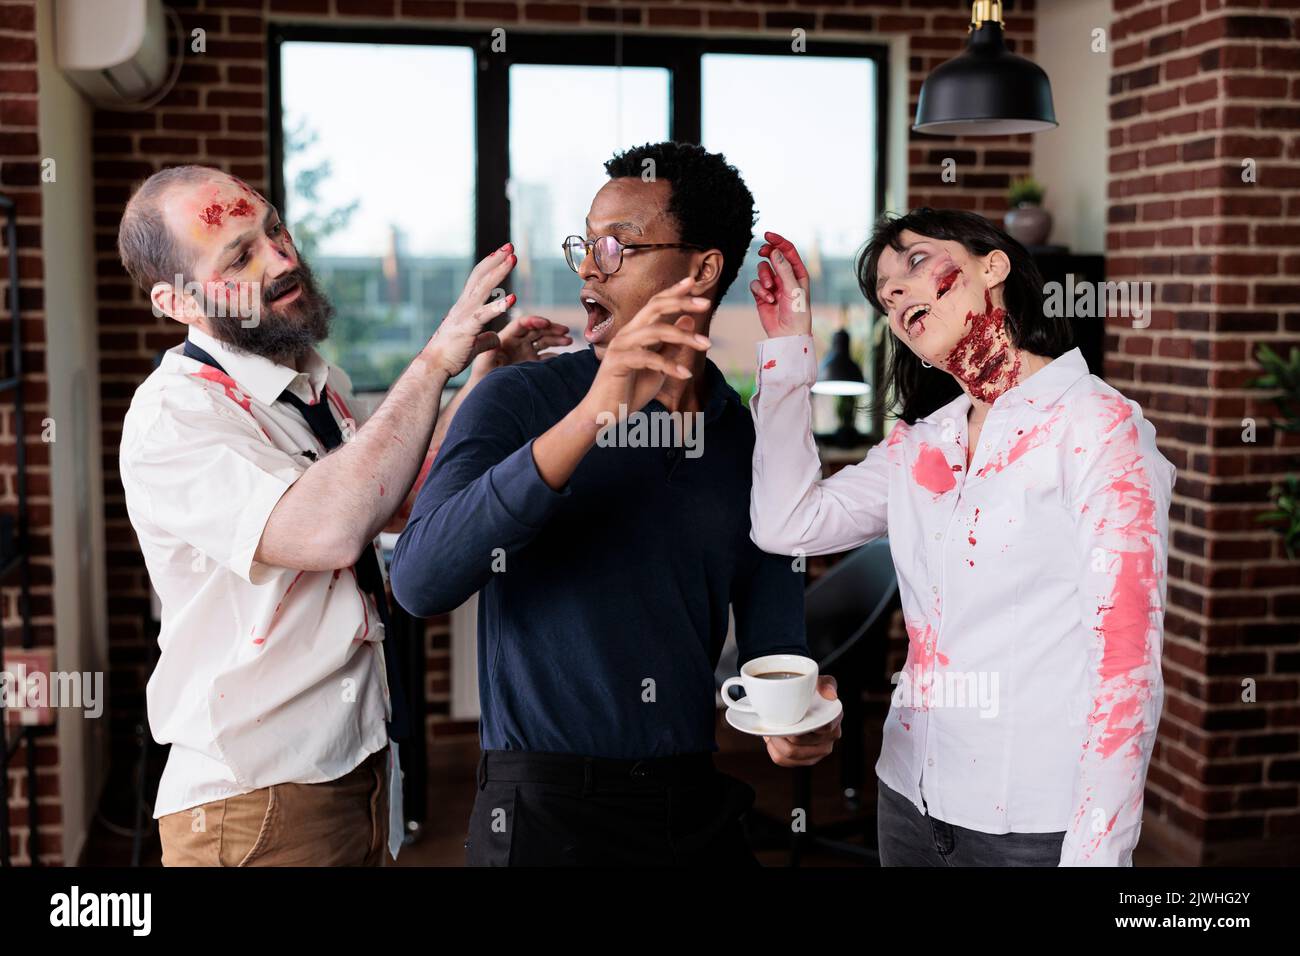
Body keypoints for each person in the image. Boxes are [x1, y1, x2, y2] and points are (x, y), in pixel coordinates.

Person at [390, 142, 841, 866]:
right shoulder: (517, 397)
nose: (589, 267)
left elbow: (774, 636)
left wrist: (799, 717)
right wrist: (590, 419)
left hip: (693, 802)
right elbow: (419, 581)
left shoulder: (747, 442)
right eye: (585, 245)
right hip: (540, 812)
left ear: (702, 268)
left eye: (617, 246)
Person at [116, 164, 568, 865]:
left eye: (273, 231)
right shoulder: (175, 417)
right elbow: (330, 529)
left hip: (352, 764)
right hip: (254, 799)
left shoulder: (311, 383)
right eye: (239, 255)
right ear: (177, 302)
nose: (281, 258)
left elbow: (394, 498)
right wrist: (433, 360)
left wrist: (482, 380)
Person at [747, 209, 1175, 866]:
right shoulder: (924, 442)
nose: (897, 296)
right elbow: (786, 525)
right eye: (885, 294)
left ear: (993, 267)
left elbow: (1125, 667)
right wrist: (786, 353)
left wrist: (1097, 855)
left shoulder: (1097, 428)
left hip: (1031, 824)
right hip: (908, 796)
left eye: (915, 264)